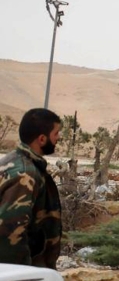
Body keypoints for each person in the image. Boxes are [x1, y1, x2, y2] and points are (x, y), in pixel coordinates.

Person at [0, 108, 62, 268]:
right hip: (22, 271)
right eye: (56, 133)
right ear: (42, 139)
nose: (58, 138)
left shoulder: (13, 161)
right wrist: (23, 275)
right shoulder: (26, 174)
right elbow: (10, 235)